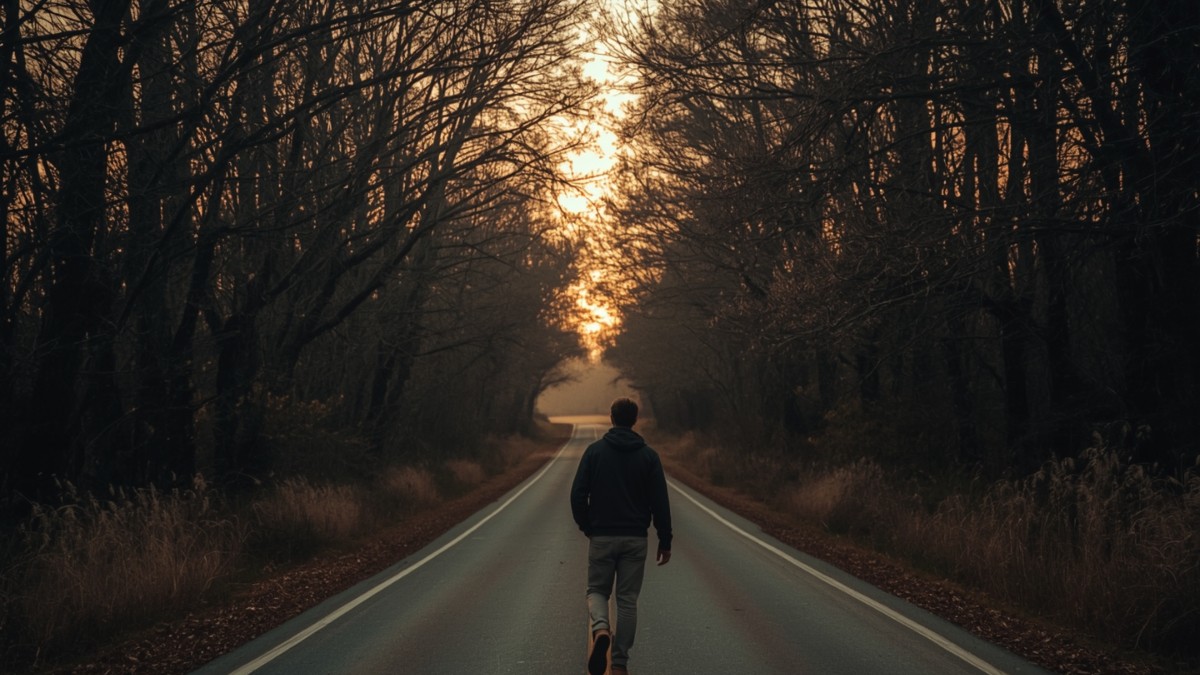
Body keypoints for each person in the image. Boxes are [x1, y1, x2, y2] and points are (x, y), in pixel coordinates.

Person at [570, 398, 673, 675]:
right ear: (635, 420)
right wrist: (665, 540)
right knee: (627, 599)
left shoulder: (594, 452)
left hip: (602, 536)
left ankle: (601, 628)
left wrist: (588, 526)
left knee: (596, 590)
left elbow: (577, 495)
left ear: (611, 418)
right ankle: (619, 663)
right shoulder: (649, 456)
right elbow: (660, 502)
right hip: (635, 538)